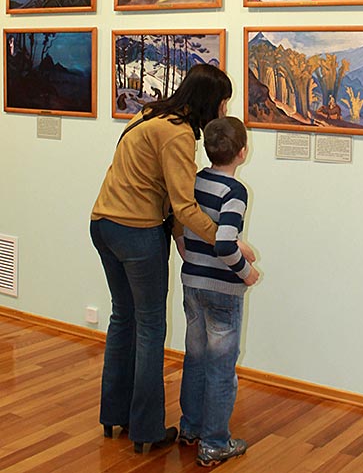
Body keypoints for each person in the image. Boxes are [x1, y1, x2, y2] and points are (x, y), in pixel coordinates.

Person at [90, 64, 251, 454]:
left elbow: (165, 191)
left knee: (122, 318)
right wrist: (228, 240)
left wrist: (180, 235)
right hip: (137, 231)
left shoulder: (149, 114)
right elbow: (184, 205)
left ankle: (114, 416)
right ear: (209, 100)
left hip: (103, 223)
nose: (224, 109)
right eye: (223, 101)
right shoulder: (178, 134)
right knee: (149, 327)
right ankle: (145, 430)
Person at [178, 116, 260, 467]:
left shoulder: (196, 181)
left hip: (192, 284)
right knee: (221, 367)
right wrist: (247, 273)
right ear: (242, 152)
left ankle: (190, 427)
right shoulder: (235, 192)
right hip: (223, 291)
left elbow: (181, 223)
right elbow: (225, 243)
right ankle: (213, 443)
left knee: (195, 359)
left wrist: (187, 253)